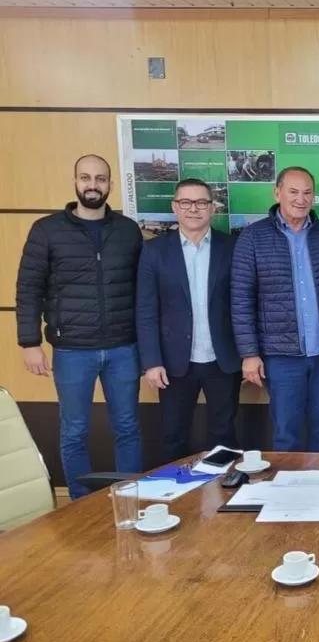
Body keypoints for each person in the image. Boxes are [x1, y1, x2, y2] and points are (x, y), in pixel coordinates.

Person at [16, 154, 144, 500]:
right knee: (74, 430)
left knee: (128, 427)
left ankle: (129, 500)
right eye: (86, 178)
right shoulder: (47, 230)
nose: (93, 185)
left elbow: (142, 290)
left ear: (110, 185)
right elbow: (29, 287)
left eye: (100, 179)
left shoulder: (127, 230)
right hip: (72, 349)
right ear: (75, 182)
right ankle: (79, 504)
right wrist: (29, 342)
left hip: (123, 347)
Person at [231, 166, 319, 451]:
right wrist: (249, 354)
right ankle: (288, 495)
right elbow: (241, 299)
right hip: (280, 356)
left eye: (307, 193)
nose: (300, 199)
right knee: (286, 434)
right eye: (293, 192)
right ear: (277, 192)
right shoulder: (252, 238)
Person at [136, 178, 241, 460]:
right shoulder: (154, 251)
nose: (194, 209)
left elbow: (243, 304)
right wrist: (151, 362)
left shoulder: (230, 247)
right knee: (174, 435)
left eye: (201, 202)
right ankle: (179, 499)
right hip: (172, 363)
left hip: (223, 359)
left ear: (212, 208)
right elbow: (145, 311)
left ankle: (225, 493)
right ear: (175, 207)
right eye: (186, 202)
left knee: (224, 435)